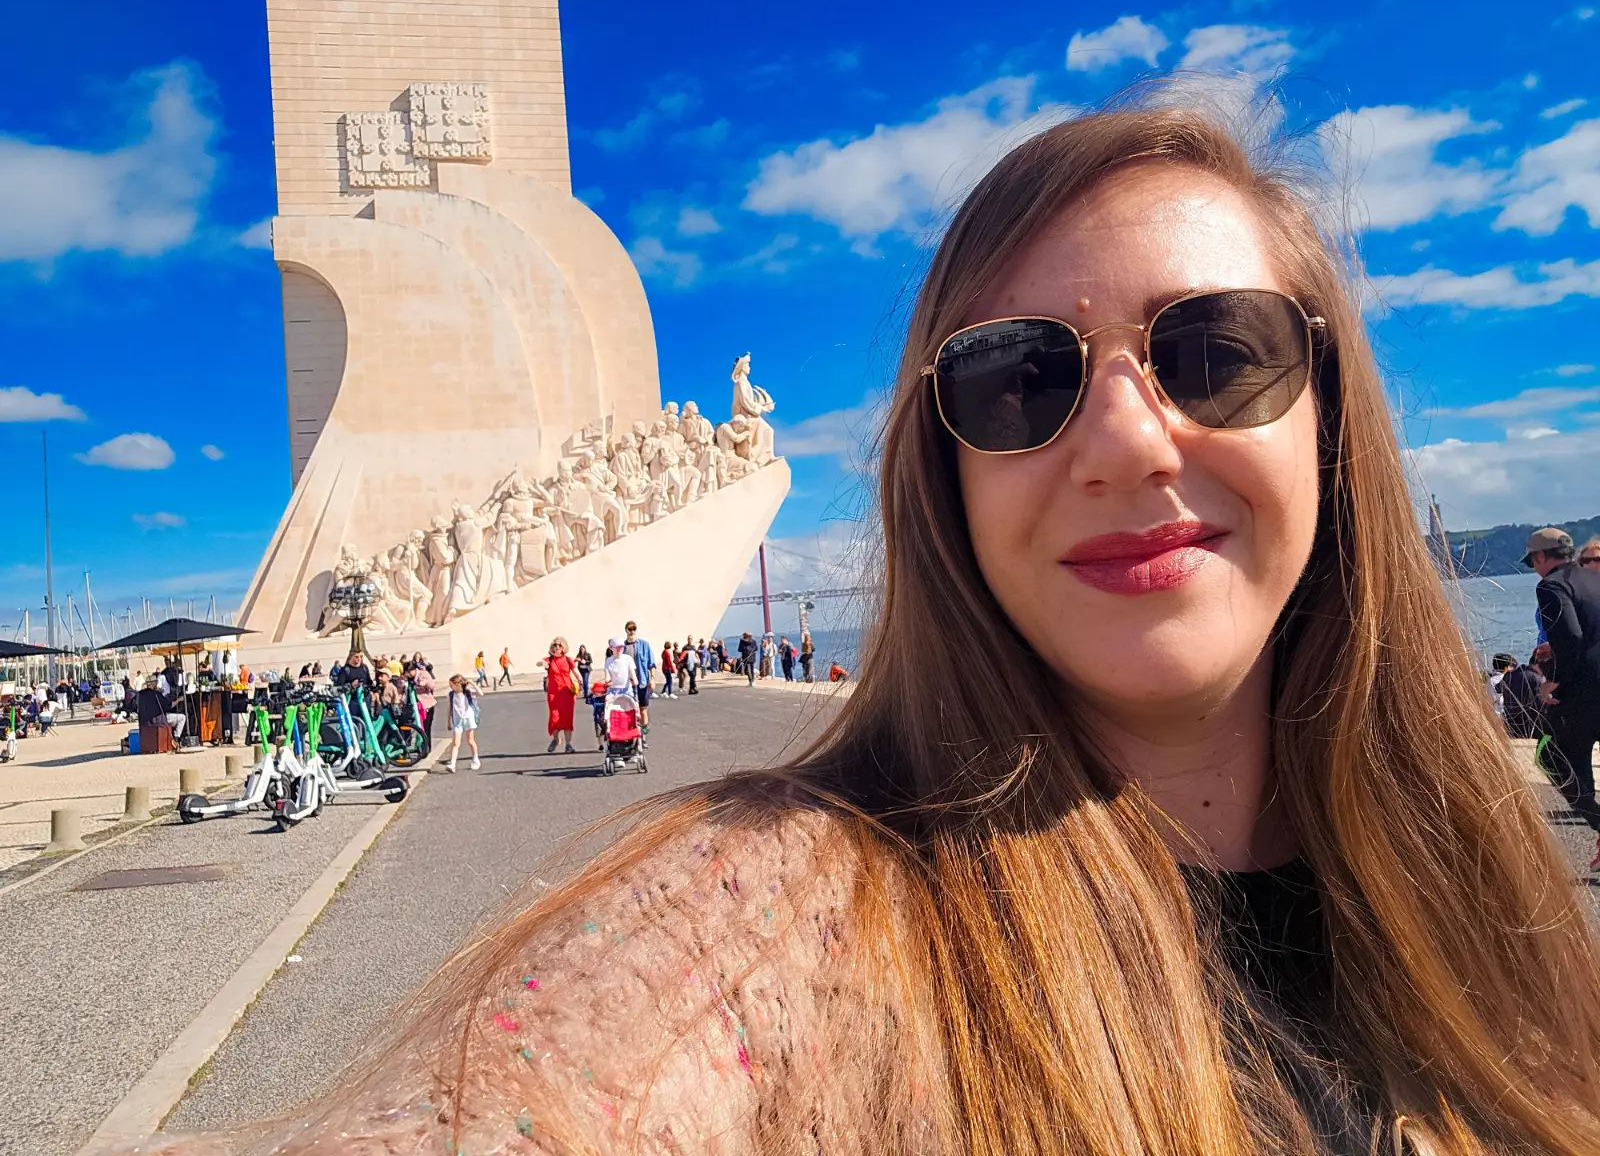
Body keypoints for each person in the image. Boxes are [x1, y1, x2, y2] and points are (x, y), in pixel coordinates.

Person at [130, 101, 1600, 1156]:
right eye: (1020, 380)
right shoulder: (785, 918)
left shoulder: (1494, 896)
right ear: (941, 473)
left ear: (1333, 415)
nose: (1129, 442)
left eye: (1217, 352)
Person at [1526, 526, 1600, 866]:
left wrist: (1553, 681)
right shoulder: (1594, 581)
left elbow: (1571, 636)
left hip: (1584, 693)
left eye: (1533, 562)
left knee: (1553, 760)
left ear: (1541, 557)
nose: (1535, 569)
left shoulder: (1552, 586)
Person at [1492, 652, 1544, 741]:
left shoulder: (1510, 674)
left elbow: (1498, 688)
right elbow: (1540, 704)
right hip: (1528, 727)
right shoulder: (1536, 679)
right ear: (1538, 665)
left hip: (1510, 724)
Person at [540, 638, 578, 754]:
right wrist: (542, 663)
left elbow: (576, 672)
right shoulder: (549, 660)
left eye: (560, 646)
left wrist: (581, 683)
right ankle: (556, 740)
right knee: (554, 718)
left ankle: (568, 744)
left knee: (567, 718)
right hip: (554, 694)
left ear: (563, 648)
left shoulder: (568, 660)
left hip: (567, 692)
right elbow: (541, 662)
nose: (557, 647)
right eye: (555, 645)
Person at [623, 621, 653, 746]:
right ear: (626, 630)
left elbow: (651, 664)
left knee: (643, 709)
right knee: (629, 710)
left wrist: (652, 679)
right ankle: (631, 736)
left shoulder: (644, 645)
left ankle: (643, 736)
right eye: (629, 629)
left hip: (642, 682)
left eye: (633, 629)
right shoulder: (622, 647)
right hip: (627, 684)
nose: (631, 631)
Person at [443, 675, 479, 772]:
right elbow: (450, 708)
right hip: (457, 720)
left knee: (470, 740)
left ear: (458, 684)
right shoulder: (451, 695)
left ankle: (475, 759)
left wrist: (471, 683)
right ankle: (452, 764)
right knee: (455, 743)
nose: (450, 686)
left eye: (452, 684)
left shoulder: (467, 692)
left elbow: (481, 693)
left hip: (468, 719)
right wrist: (448, 721)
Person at [408, 661, 437, 753]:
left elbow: (432, 685)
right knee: (417, 727)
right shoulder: (408, 679)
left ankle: (426, 748)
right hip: (414, 706)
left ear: (412, 670)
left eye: (407, 673)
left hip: (426, 705)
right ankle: (419, 746)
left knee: (426, 727)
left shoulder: (423, 674)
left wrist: (424, 683)